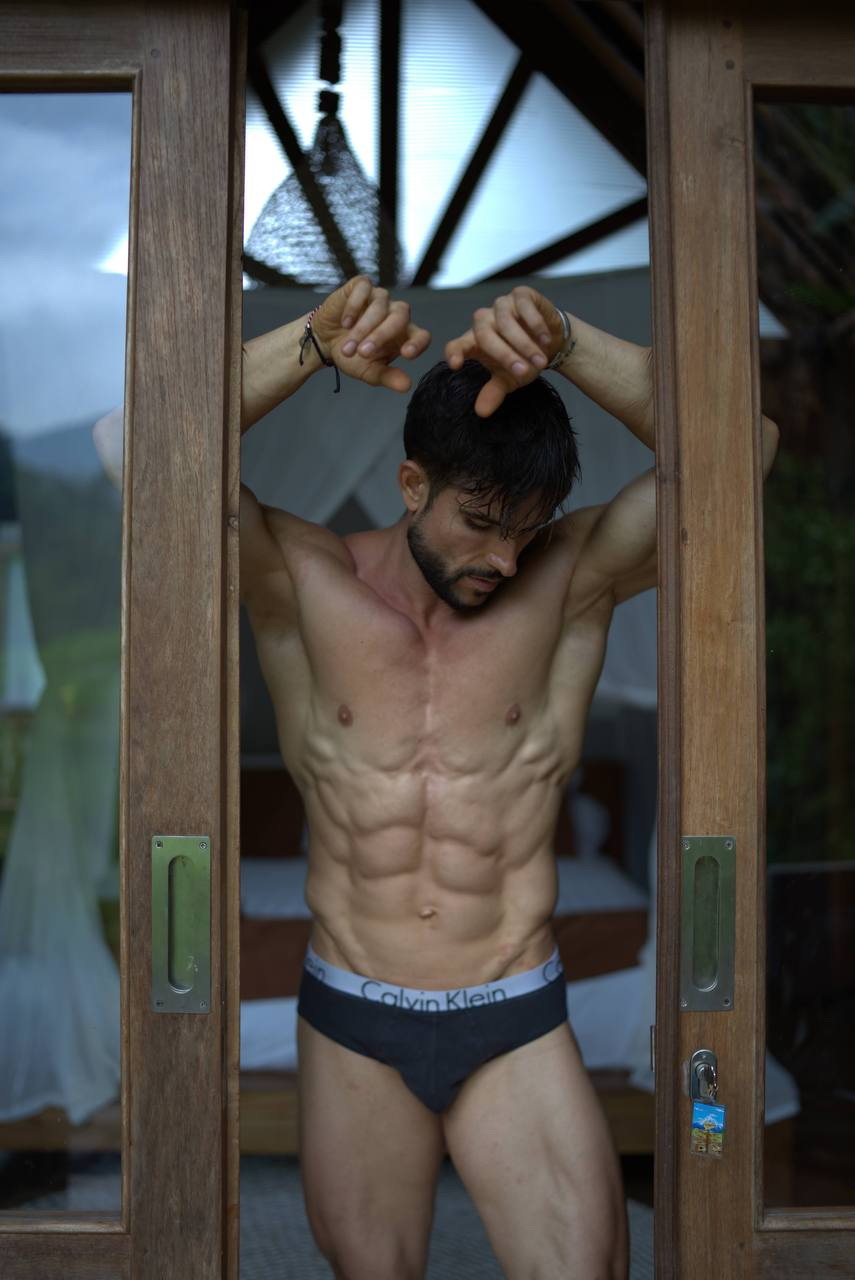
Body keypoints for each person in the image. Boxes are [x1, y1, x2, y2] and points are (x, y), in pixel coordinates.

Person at [240, 277, 779, 1280]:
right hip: (352, 1010)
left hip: (512, 1010)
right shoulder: (303, 581)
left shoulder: (567, 579)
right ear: (412, 484)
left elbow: (740, 448)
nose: (502, 556)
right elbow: (133, 449)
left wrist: (563, 342)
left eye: (525, 527)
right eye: (481, 520)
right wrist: (311, 342)